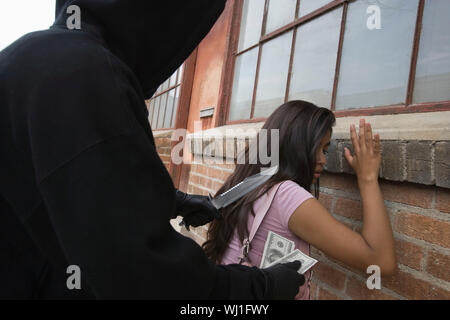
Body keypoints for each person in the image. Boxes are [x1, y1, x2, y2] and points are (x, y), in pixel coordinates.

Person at [0, 0, 305, 299]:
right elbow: (144, 278)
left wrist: (173, 201)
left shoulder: (37, 56)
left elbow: (79, 182)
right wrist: (261, 289)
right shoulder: (87, 74)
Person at [203, 100, 397, 299]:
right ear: (292, 145)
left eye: (326, 150)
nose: (322, 159)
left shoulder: (249, 181)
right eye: (316, 148)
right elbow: (381, 261)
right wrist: (368, 178)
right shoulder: (287, 195)